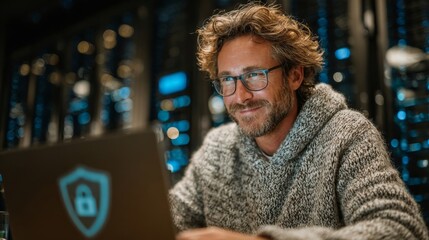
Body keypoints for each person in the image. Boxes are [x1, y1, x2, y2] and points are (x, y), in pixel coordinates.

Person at [169, 2, 429, 240]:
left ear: (294, 75)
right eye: (227, 80)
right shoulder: (217, 149)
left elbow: (400, 230)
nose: (241, 96)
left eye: (255, 75)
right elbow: (168, 221)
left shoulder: (347, 135)